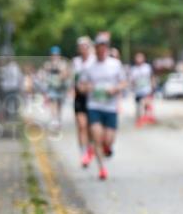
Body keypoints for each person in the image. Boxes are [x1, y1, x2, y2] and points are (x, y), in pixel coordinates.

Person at [78, 33, 126, 180]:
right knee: (97, 137)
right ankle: (102, 169)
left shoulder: (115, 64)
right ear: (96, 48)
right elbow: (80, 86)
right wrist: (87, 88)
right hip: (94, 106)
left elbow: (124, 82)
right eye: (99, 46)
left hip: (110, 107)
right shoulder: (88, 66)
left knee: (108, 140)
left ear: (107, 48)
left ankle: (107, 147)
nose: (102, 49)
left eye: (104, 46)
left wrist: (115, 89)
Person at [72, 36, 95, 167]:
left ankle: (90, 147)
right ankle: (83, 153)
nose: (83, 49)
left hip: (92, 97)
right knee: (81, 126)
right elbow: (73, 78)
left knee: (91, 128)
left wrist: (89, 87)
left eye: (85, 46)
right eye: (80, 46)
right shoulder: (76, 62)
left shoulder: (94, 61)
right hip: (79, 97)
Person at [41, 46, 69, 129]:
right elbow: (45, 73)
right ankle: (54, 119)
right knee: (53, 102)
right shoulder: (48, 64)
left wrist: (59, 72)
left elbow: (65, 74)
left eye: (56, 55)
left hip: (61, 87)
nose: (54, 56)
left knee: (59, 104)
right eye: (53, 55)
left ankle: (58, 119)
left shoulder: (63, 63)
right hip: (52, 87)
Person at [129, 52, 155, 126]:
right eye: (137, 58)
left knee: (146, 105)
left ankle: (146, 118)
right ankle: (139, 120)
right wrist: (132, 87)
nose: (139, 59)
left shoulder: (147, 67)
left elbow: (152, 77)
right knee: (138, 107)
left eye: (140, 57)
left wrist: (153, 87)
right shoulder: (133, 69)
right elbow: (132, 80)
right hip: (138, 91)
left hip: (146, 90)